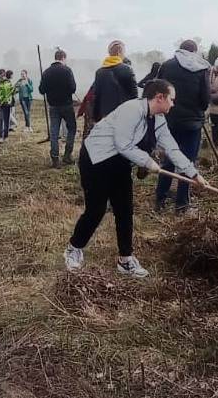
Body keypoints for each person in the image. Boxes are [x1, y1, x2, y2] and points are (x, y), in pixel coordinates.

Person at [63, 79, 207, 277]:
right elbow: (123, 144)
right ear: (159, 97)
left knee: (125, 210)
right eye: (171, 99)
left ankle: (126, 260)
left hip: (120, 162)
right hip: (96, 159)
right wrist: (148, 162)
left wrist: (193, 173)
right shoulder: (131, 109)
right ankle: (73, 249)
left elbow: (172, 148)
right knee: (96, 210)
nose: (173, 104)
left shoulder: (158, 119)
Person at [154, 40, 210, 213]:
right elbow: (205, 99)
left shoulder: (166, 66)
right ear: (194, 51)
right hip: (192, 123)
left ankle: (160, 199)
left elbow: (157, 91)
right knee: (187, 162)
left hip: (169, 120)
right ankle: (182, 204)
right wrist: (198, 110)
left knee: (169, 159)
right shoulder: (201, 68)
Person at [39, 48, 77, 168]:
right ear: (63, 58)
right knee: (72, 128)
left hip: (53, 106)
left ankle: (55, 158)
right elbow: (73, 89)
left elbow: (41, 90)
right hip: (66, 105)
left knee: (54, 132)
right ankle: (67, 155)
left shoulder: (46, 72)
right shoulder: (67, 70)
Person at [93, 40, 138, 122]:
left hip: (106, 114)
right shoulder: (127, 69)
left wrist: (96, 116)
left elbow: (96, 95)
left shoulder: (99, 72)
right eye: (124, 52)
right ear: (119, 53)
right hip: (124, 113)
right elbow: (134, 95)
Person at [0, 69, 15, 142]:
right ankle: (0, 137)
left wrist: (15, 90)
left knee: (6, 120)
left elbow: (12, 92)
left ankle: (6, 136)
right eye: (0, 75)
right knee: (0, 120)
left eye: (3, 75)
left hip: (7, 104)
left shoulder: (8, 82)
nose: (2, 76)